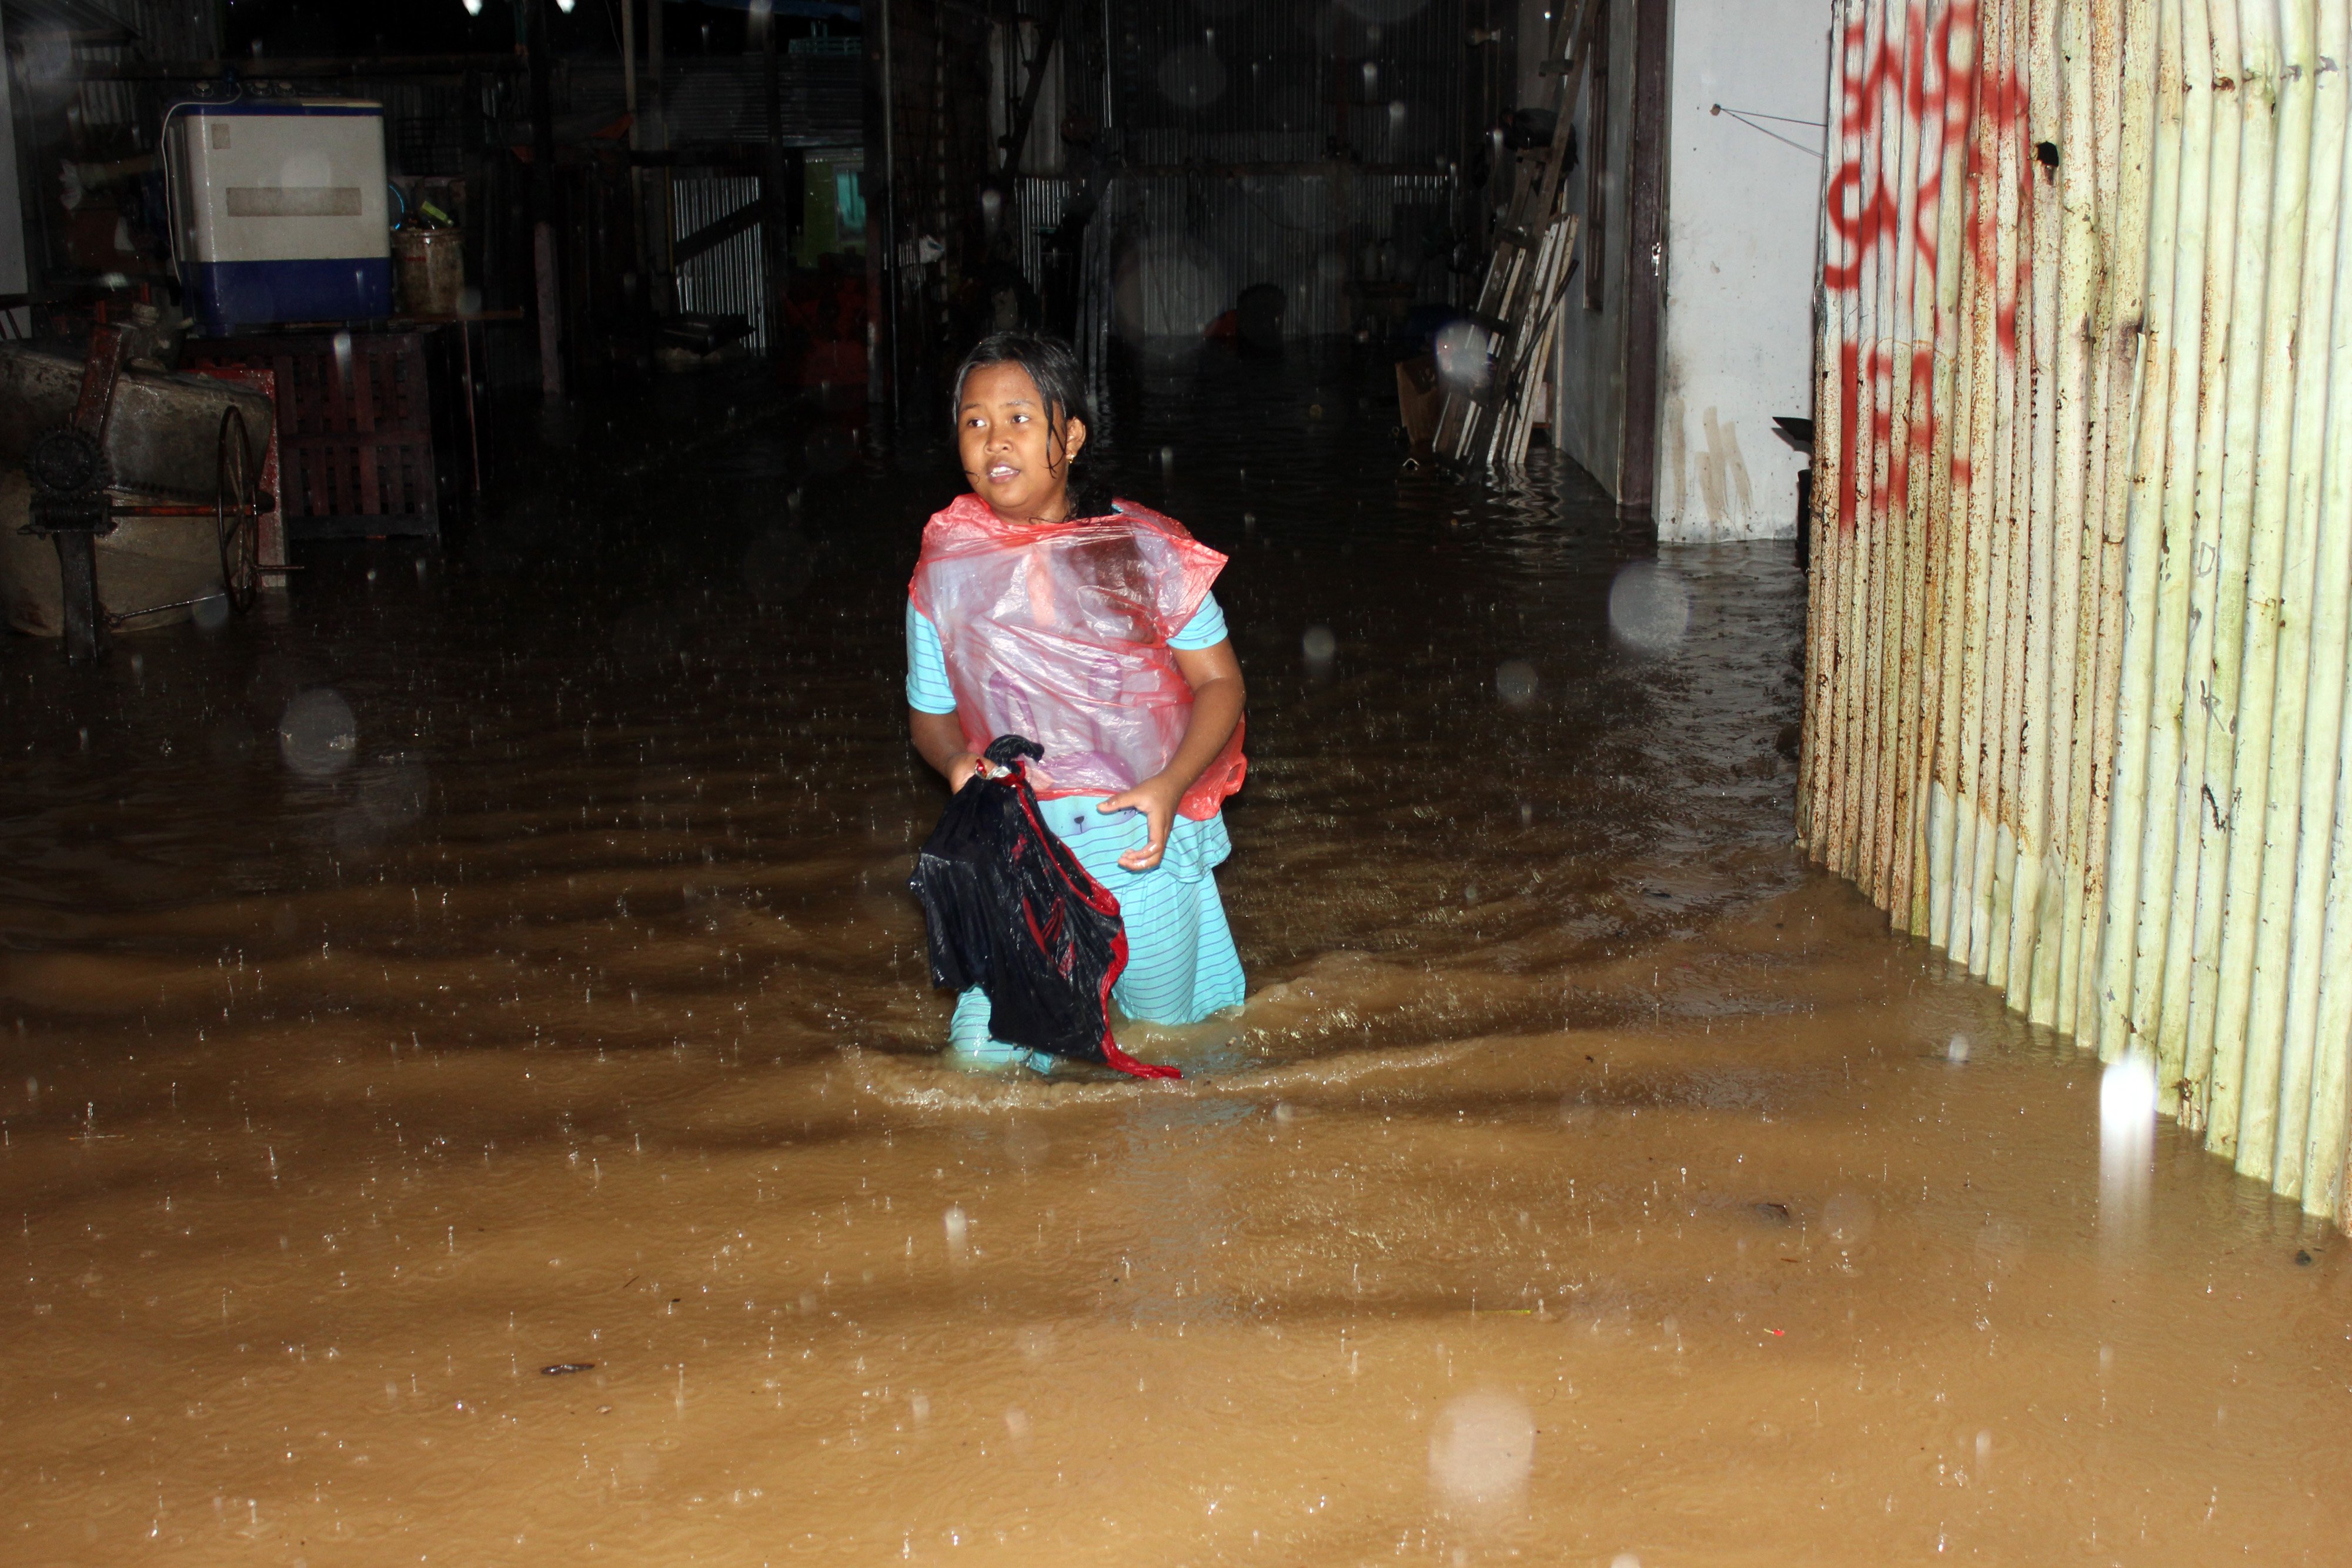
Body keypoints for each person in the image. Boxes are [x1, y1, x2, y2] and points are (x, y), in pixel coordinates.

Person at [906, 330, 1248, 1071]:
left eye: (1021, 418)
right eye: (974, 421)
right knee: (979, 1068)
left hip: (1137, 837)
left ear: (1071, 434)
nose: (995, 439)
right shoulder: (945, 565)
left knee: (1170, 1043)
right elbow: (931, 714)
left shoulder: (1141, 550)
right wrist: (955, 762)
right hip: (1019, 842)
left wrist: (1169, 785)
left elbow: (1220, 683)